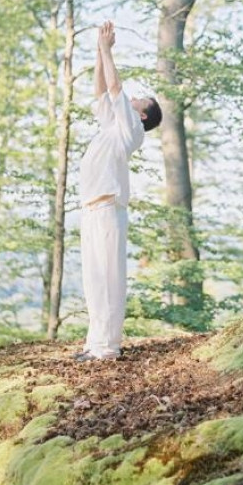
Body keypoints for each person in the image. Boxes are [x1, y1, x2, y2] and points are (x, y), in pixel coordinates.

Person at [74, 20, 162, 361]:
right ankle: (94, 344)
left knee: (109, 278)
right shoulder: (114, 123)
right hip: (91, 208)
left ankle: (108, 347)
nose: (133, 98)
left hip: (109, 207)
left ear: (142, 115)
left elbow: (113, 87)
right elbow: (101, 92)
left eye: (139, 100)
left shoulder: (131, 131)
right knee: (93, 278)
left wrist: (110, 52)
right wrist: (99, 52)